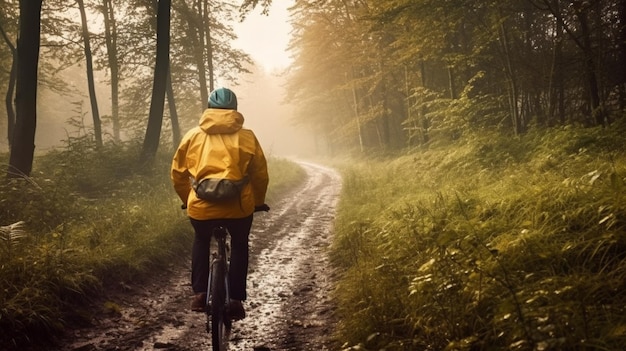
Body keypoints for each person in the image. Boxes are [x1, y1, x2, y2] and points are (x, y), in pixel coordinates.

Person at [170, 87, 269, 320]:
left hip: (201, 207)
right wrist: (258, 201)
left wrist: (188, 200)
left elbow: (177, 173)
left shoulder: (193, 136)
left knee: (201, 239)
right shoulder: (247, 137)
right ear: (235, 110)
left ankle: (199, 295)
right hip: (238, 208)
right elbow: (260, 174)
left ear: (209, 108)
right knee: (240, 244)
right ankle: (235, 300)